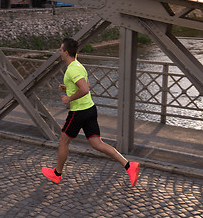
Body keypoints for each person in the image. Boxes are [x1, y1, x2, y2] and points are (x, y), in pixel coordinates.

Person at [42, 37, 140, 186]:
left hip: (78, 112)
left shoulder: (72, 69)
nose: (59, 52)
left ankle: (57, 174)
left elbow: (85, 89)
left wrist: (68, 99)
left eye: (61, 49)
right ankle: (129, 165)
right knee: (97, 144)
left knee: (63, 141)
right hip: (90, 109)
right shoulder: (79, 66)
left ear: (66, 52)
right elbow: (85, 85)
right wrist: (67, 88)